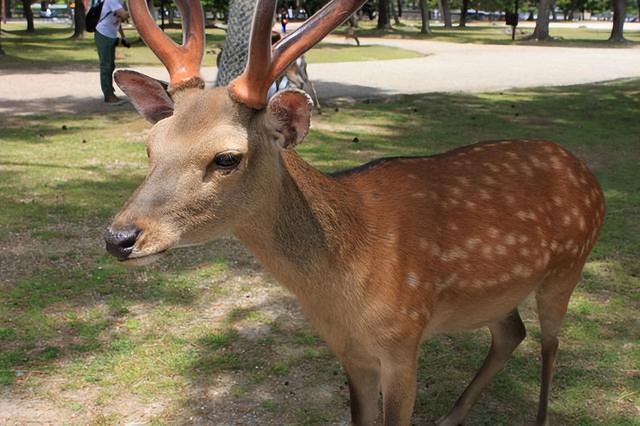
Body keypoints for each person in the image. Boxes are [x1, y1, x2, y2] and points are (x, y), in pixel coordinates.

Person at [94, 0, 129, 104]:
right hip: (103, 34)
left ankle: (110, 92)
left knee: (110, 65)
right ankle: (108, 95)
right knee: (106, 65)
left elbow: (119, 20)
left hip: (111, 35)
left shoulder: (120, 2)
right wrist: (135, 8)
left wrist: (123, 36)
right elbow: (124, 15)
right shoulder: (112, 0)